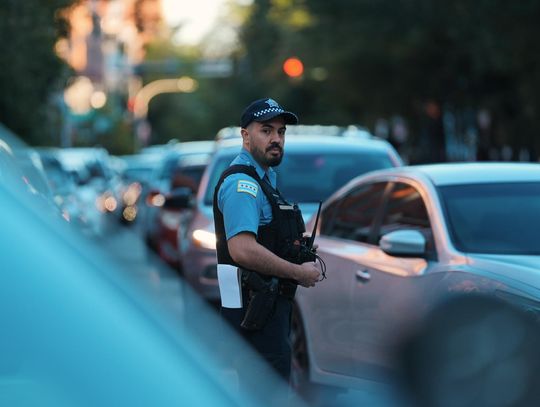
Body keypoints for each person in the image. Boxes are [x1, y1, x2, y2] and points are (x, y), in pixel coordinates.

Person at [213, 97, 321, 384]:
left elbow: (266, 239)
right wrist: (299, 272)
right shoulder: (242, 184)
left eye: (281, 132)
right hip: (253, 317)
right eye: (266, 130)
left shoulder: (264, 178)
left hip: (267, 313)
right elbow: (243, 250)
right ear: (246, 135)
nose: (276, 139)